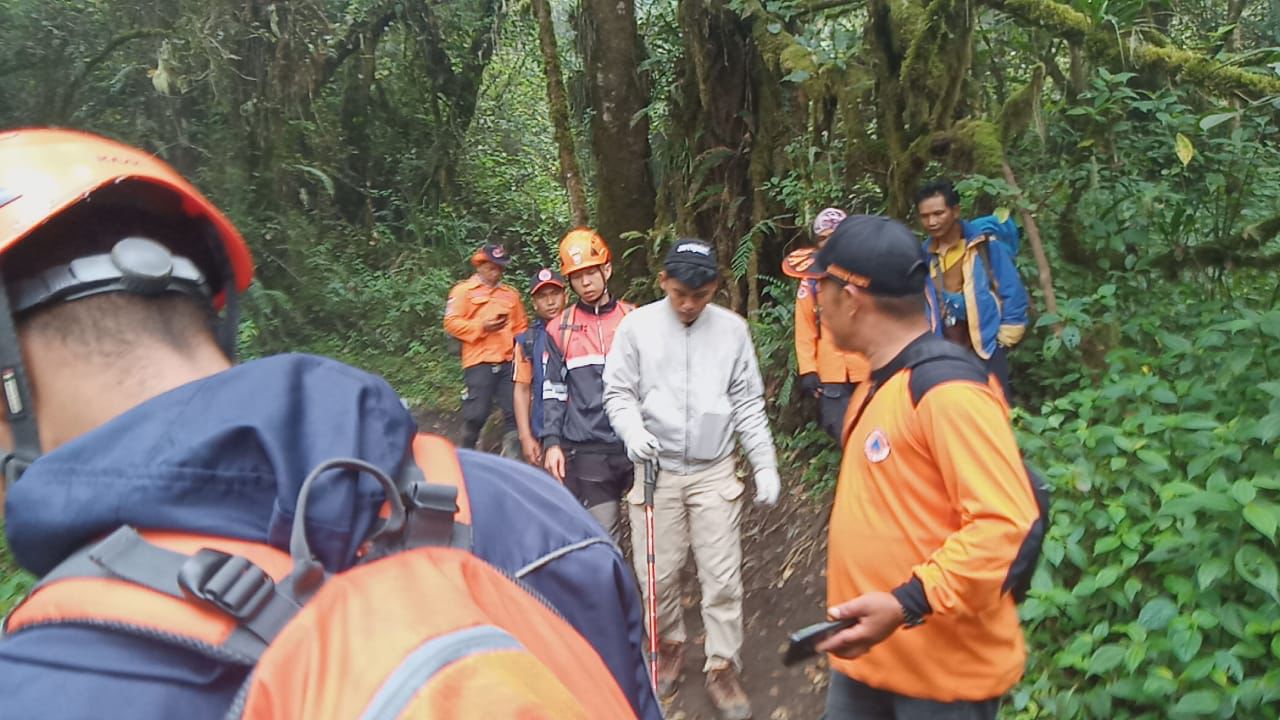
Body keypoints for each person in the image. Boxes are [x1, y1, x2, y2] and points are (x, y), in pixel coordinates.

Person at [0, 128, 660, 719]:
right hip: (476, 385)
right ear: (218, 317)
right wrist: (481, 329)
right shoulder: (537, 511)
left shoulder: (38, 682)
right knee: (471, 425)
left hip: (509, 378)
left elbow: (519, 335)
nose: (494, 272)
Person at [786, 214, 1041, 719]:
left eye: (820, 287)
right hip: (867, 662)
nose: (815, 301)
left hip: (940, 679)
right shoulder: (877, 386)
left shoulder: (946, 390)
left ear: (851, 298)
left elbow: (1006, 524)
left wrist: (908, 601)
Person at [603, 239, 781, 720]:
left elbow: (747, 403)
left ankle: (723, 664)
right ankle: (670, 645)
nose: (688, 305)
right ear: (663, 282)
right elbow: (617, 392)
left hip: (713, 469)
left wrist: (763, 462)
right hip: (655, 470)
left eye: (699, 297)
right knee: (656, 575)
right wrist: (632, 430)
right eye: (680, 293)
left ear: (715, 290)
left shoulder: (732, 331)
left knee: (721, 575)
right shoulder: (637, 327)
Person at [540, 229, 635, 542]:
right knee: (605, 536)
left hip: (634, 444)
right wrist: (552, 442)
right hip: (588, 449)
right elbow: (553, 390)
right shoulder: (559, 329)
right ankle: (615, 591)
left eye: (591, 273)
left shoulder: (633, 319)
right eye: (577, 276)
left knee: (649, 533)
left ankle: (649, 591)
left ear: (606, 270)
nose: (585, 282)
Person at [916, 179, 1028, 403]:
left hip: (985, 346)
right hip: (944, 350)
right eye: (925, 216)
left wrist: (1003, 338)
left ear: (955, 211)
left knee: (995, 407)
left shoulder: (985, 245)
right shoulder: (923, 254)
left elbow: (1011, 290)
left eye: (938, 213)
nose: (932, 221)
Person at [783, 207, 870, 439]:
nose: (829, 243)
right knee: (839, 429)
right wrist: (808, 370)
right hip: (830, 370)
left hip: (867, 367)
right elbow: (805, 327)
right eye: (823, 238)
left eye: (835, 237)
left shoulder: (867, 272)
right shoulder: (810, 281)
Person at [443, 242, 528, 453]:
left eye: (499, 268)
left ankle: (513, 461)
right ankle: (465, 455)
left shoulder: (511, 295)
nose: (496, 272)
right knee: (476, 414)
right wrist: (482, 327)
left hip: (508, 361)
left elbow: (521, 327)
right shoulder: (463, 291)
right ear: (479, 265)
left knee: (514, 413)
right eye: (492, 267)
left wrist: (523, 352)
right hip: (479, 360)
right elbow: (451, 323)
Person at [513, 267, 568, 465]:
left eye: (555, 294)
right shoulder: (528, 341)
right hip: (543, 431)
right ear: (534, 303)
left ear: (566, 296)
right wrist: (525, 437)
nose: (550, 301)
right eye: (543, 296)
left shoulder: (581, 329)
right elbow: (522, 389)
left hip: (583, 430)